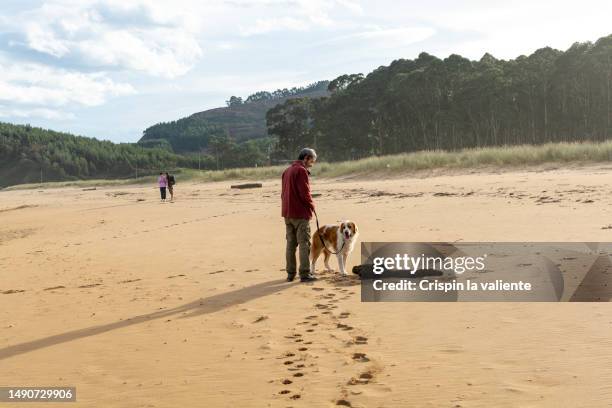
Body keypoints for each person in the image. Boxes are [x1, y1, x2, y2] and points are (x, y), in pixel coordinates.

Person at [281, 147, 318, 282]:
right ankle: (304, 273)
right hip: (300, 213)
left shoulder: (287, 170)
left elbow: (283, 193)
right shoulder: (301, 171)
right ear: (306, 158)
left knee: (290, 244)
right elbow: (305, 193)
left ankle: (290, 273)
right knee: (304, 244)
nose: (312, 164)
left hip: (287, 213)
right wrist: (312, 206)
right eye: (312, 161)